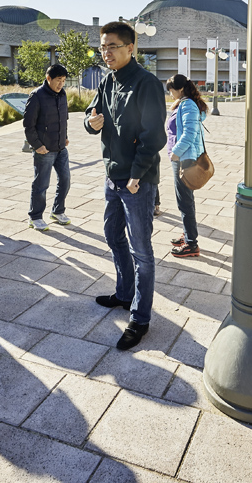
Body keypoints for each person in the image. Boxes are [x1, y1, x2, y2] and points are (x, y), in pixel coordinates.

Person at [85, 21, 167, 351]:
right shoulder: (107, 81)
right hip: (112, 175)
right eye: (102, 47)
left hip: (137, 181)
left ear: (130, 48)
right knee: (112, 235)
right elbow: (93, 114)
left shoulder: (146, 83)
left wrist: (136, 174)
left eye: (113, 47)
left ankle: (140, 318)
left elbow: (154, 135)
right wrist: (90, 123)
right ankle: (124, 293)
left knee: (141, 251)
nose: (106, 53)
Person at [164, 74, 208, 259]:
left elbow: (190, 132)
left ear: (179, 89)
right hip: (182, 158)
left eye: (171, 90)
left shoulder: (187, 104)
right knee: (185, 200)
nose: (170, 94)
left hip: (184, 159)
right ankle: (187, 234)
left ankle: (191, 244)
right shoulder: (184, 103)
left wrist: (176, 152)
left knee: (185, 202)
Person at [23, 64, 71, 231]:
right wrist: (37, 146)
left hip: (60, 148)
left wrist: (64, 137)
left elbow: (63, 118)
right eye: (58, 80)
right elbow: (28, 125)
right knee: (41, 184)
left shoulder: (62, 94)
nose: (61, 84)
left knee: (65, 180)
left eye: (64, 81)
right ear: (48, 78)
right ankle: (35, 217)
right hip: (44, 149)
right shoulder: (37, 96)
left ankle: (58, 211)